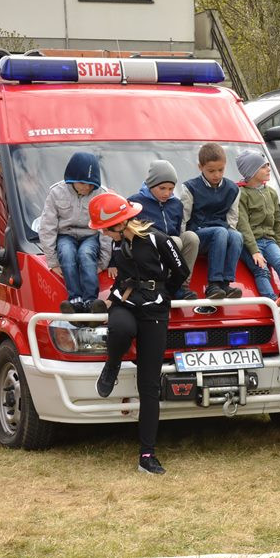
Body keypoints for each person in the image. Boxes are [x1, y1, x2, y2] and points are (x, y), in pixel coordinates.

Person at [91, 193, 190, 475]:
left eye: (105, 229)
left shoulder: (158, 239)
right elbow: (121, 278)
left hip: (155, 310)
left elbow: (181, 271)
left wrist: (162, 292)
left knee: (149, 386)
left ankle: (147, 455)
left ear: (119, 224)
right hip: (125, 303)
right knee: (121, 329)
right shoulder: (118, 243)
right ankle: (112, 365)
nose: (104, 234)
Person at [38, 151, 111, 314]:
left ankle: (91, 300)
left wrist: (103, 262)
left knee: (86, 254)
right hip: (66, 234)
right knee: (66, 252)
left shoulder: (101, 195)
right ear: (71, 179)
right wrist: (52, 262)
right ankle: (75, 299)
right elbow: (47, 227)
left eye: (91, 184)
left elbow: (105, 230)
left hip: (90, 235)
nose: (87, 187)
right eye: (82, 183)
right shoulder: (56, 192)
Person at [180, 143, 244, 300]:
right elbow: (183, 217)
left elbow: (232, 219)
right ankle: (213, 284)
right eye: (211, 171)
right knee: (220, 231)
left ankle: (225, 284)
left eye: (221, 170)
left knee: (236, 236)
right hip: (198, 234)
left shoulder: (233, 189)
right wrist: (182, 243)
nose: (217, 174)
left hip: (221, 235)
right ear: (200, 167)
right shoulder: (190, 187)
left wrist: (229, 238)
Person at [128, 160, 199, 300]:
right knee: (174, 241)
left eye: (171, 188)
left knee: (191, 237)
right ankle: (165, 285)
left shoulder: (176, 204)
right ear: (150, 184)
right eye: (162, 188)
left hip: (173, 246)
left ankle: (182, 286)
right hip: (149, 250)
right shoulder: (134, 203)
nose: (167, 193)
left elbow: (178, 229)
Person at [235, 151, 280, 301]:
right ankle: (272, 300)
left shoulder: (271, 192)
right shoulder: (241, 194)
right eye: (263, 167)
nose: (269, 169)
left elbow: (278, 219)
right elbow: (243, 225)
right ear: (251, 171)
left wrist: (277, 241)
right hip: (250, 243)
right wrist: (254, 251)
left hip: (269, 241)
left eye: (268, 165)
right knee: (261, 270)